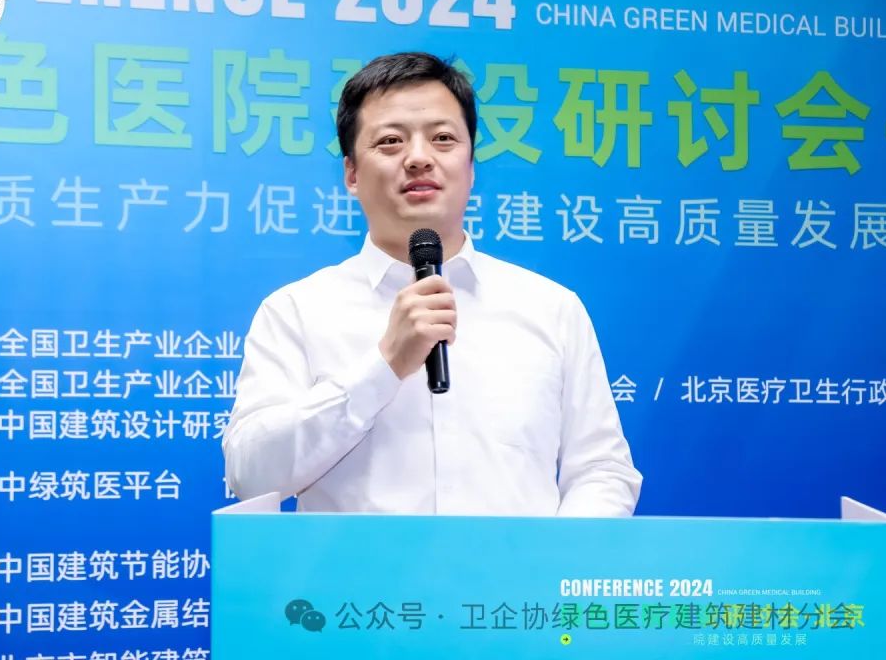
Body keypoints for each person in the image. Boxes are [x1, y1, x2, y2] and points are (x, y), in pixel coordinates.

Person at [222, 51, 641, 516]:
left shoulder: (551, 308)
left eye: (443, 138)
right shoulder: (296, 311)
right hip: (357, 568)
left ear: (471, 166)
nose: (419, 158)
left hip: (515, 567)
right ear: (352, 174)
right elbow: (250, 476)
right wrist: (385, 364)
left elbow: (602, 470)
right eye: (390, 141)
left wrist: (553, 558)